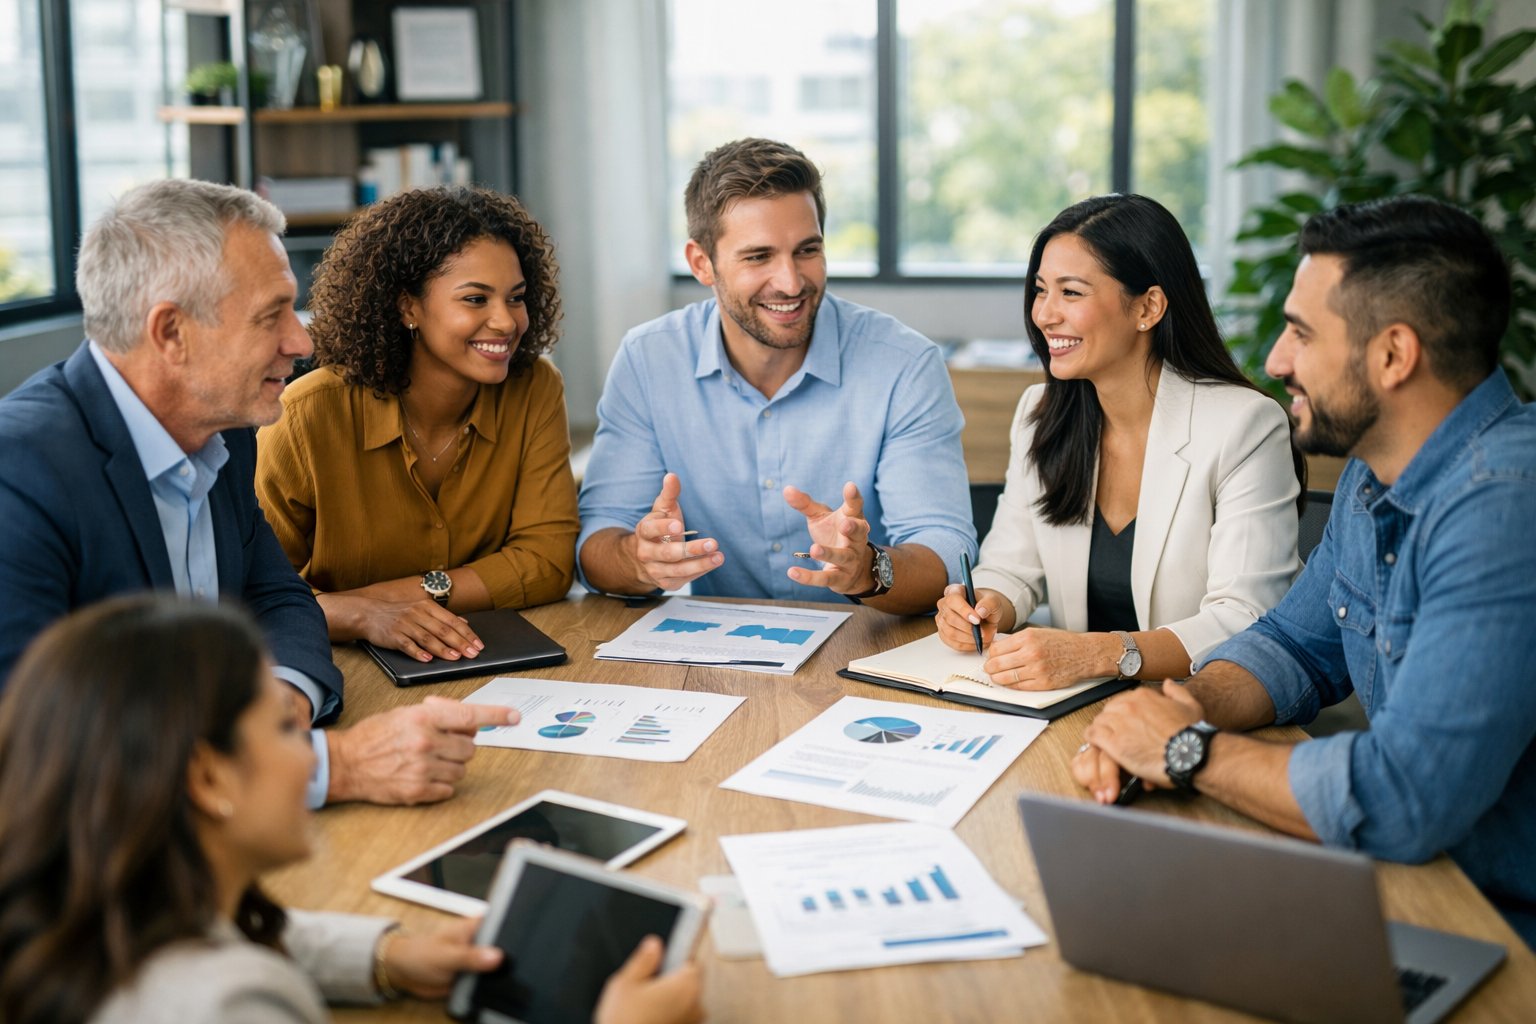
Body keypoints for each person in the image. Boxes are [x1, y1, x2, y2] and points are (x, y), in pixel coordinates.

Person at [1072, 196, 1536, 948]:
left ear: (1393, 355)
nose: (1276, 361)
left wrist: (1186, 751)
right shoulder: (1376, 473)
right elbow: (1293, 645)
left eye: (1300, 332)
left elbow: (1403, 797)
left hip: (1500, 924)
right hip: (1418, 888)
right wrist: (1181, 709)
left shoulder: (1504, 508)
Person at [0, 178, 512, 808]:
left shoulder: (224, 428)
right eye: (271, 315)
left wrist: (284, 699)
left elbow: (276, 597)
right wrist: (331, 766)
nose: (301, 343)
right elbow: (30, 750)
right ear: (171, 333)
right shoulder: (20, 469)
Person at [0, 596, 705, 1024]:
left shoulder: (76, 910)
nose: (317, 758)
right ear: (207, 776)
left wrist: (387, 957)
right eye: (285, 729)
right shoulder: (231, 1004)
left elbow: (212, 938)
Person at [577, 137, 976, 613]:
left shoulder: (903, 364)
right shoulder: (649, 360)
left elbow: (949, 552)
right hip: (716, 656)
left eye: (807, 250)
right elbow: (596, 542)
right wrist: (639, 561)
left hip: (871, 644)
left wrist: (868, 569)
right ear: (702, 263)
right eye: (758, 257)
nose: (790, 282)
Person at [935, 194, 1300, 688]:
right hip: (1075, 709)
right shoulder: (1039, 415)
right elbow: (1011, 568)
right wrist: (985, 606)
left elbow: (1245, 618)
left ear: (1148, 306)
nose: (1044, 314)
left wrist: (1097, 654)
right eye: (1041, 290)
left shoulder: (1246, 426)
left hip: (1198, 712)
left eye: (1071, 293)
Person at [256, 186, 579, 664]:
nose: (506, 322)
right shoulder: (307, 413)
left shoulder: (534, 388)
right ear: (408, 307)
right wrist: (364, 617)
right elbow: (255, 601)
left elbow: (547, 562)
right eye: (475, 299)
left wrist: (389, 598)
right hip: (333, 665)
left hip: (486, 653)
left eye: (516, 298)